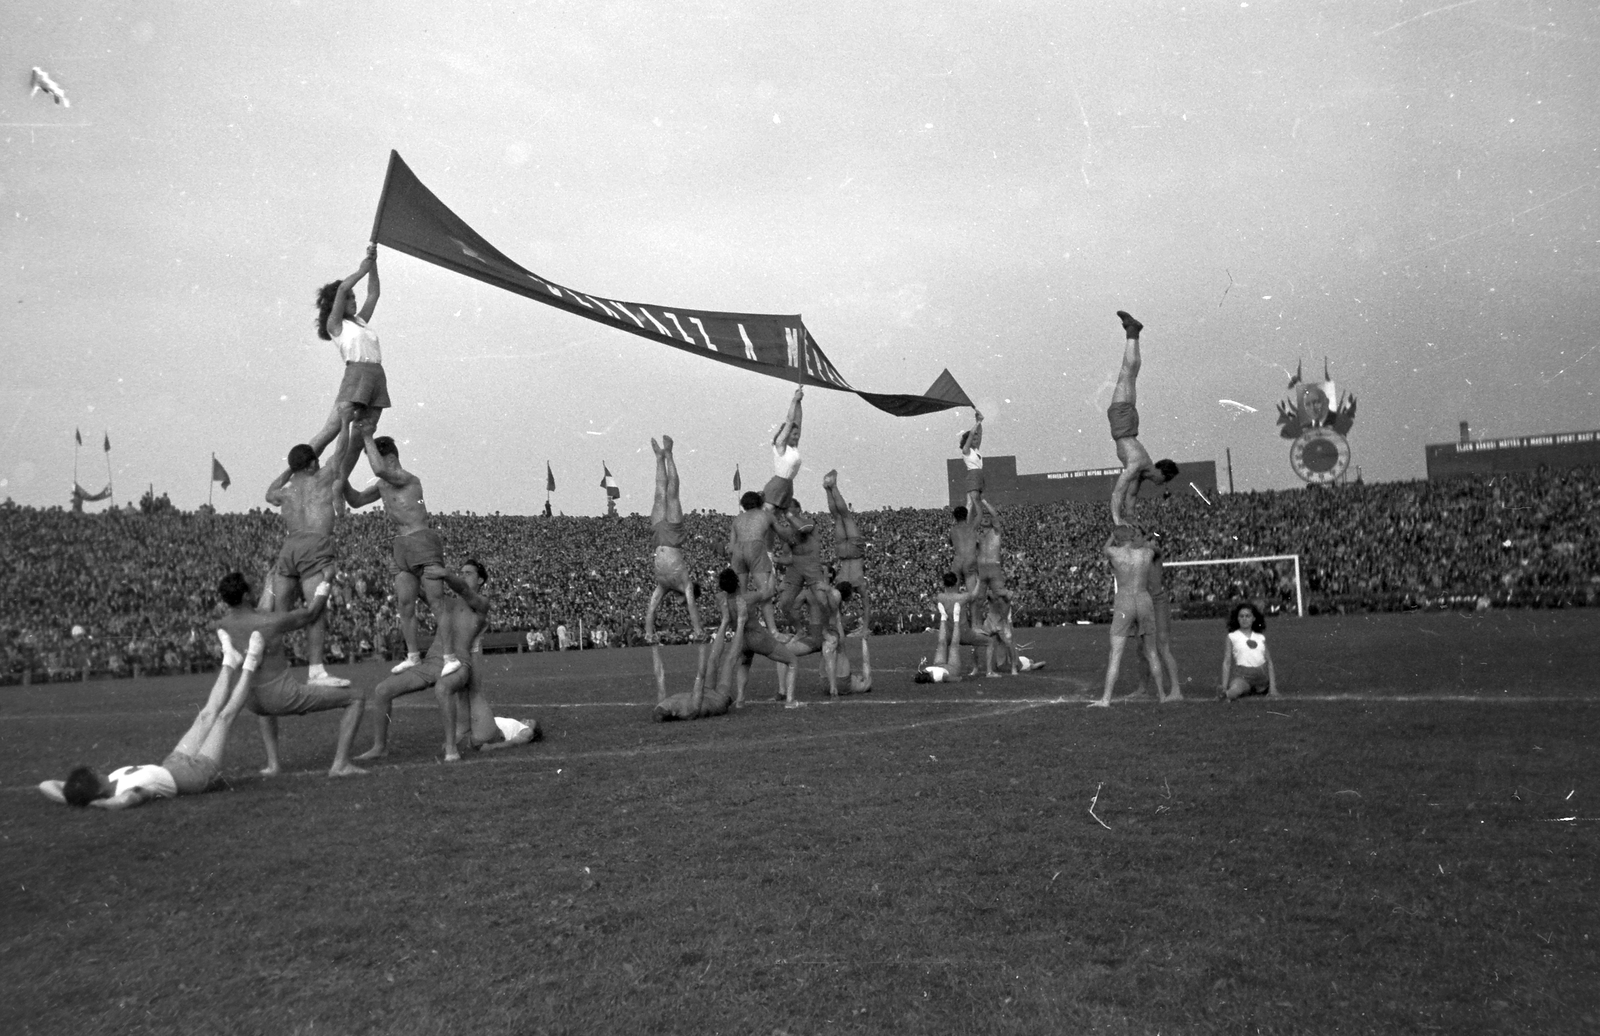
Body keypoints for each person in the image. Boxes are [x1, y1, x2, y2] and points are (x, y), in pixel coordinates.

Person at [38, 630, 266, 809]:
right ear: (97, 790)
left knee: (206, 714)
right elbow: (125, 802)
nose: (97, 770)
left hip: (173, 761)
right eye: (93, 774)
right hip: (195, 777)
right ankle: (252, 660)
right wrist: (98, 804)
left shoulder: (111, 780)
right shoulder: (128, 792)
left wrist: (75, 800)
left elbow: (46, 785)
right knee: (223, 718)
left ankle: (230, 660)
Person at [213, 570, 368, 776]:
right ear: (246, 596)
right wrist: (326, 582)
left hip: (251, 700)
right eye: (252, 586)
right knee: (356, 697)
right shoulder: (271, 622)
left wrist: (270, 581)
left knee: (265, 709)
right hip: (282, 697)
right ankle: (340, 764)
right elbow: (312, 612)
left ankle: (273, 764)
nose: (256, 587)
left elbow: (259, 612)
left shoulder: (222, 624)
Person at [344, 429, 459, 677]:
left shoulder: (407, 478)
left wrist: (365, 436)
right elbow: (355, 500)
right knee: (405, 604)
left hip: (422, 539)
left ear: (392, 459)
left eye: (376, 457)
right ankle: (413, 656)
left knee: (437, 602)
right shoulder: (383, 485)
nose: (373, 463)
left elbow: (379, 470)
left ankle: (450, 657)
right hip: (401, 544)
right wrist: (341, 480)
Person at [265, 416, 359, 688]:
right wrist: (344, 424)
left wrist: (289, 471)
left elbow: (269, 494)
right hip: (315, 546)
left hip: (290, 547)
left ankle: (273, 671)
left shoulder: (286, 490)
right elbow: (340, 452)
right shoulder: (323, 477)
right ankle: (315, 671)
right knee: (315, 612)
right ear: (312, 463)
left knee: (279, 616)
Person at [308, 244, 389, 456]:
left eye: (354, 297)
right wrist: (362, 269)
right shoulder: (335, 325)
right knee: (332, 428)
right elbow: (343, 288)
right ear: (338, 303)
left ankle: (340, 480)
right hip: (357, 373)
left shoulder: (360, 321)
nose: (353, 301)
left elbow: (374, 293)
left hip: (376, 374)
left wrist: (373, 265)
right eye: (349, 298)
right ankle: (300, 467)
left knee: (362, 435)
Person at [1107, 311, 1179, 526]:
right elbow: (1117, 492)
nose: (1159, 485)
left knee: (1130, 374)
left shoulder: (1141, 471)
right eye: (1163, 481)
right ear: (1161, 473)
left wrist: (1131, 518)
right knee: (1127, 373)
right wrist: (1117, 519)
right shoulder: (1138, 463)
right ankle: (1132, 332)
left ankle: (1133, 333)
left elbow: (1130, 497)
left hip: (1125, 423)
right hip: (1123, 421)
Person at [1090, 526, 1167, 707]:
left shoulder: (1114, 553)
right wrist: (1144, 540)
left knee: (1115, 653)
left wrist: (1112, 535)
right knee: (1152, 652)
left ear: (1117, 538)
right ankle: (1162, 695)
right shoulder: (1146, 554)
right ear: (1132, 537)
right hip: (1143, 599)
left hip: (1124, 601)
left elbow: (1104, 548)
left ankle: (1106, 699)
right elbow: (1156, 551)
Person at [653, 569, 741, 721]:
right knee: (729, 661)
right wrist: (701, 646)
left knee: (714, 661)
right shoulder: (690, 710)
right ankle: (741, 622)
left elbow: (659, 674)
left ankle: (725, 620)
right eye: (666, 707)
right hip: (718, 699)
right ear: (673, 713)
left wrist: (654, 649)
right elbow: (700, 674)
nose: (666, 703)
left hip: (706, 693)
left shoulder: (664, 704)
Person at [643, 436, 705, 643]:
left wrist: (649, 633)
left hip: (660, 538)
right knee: (671, 495)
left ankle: (659, 458)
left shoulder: (665, 586)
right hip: (672, 539)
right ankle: (667, 455)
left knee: (660, 495)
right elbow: (691, 606)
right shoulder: (685, 583)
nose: (680, 603)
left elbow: (652, 607)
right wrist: (698, 630)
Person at [727, 489, 794, 636]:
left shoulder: (737, 519)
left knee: (740, 592)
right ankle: (773, 631)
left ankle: (741, 630)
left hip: (738, 551)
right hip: (756, 547)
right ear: (760, 503)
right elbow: (783, 533)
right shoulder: (766, 515)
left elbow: (730, 548)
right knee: (766, 593)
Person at [1132, 531, 1183, 701]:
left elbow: (1157, 550)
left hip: (1157, 602)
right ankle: (1142, 689)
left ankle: (1176, 691)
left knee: (1162, 646)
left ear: (1144, 537)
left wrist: (1147, 544)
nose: (1133, 539)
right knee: (1141, 649)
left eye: (1136, 535)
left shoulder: (1152, 553)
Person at [822, 470, 870, 635]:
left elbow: (864, 605)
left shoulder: (855, 584)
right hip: (844, 552)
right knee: (840, 516)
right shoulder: (841, 582)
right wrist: (864, 628)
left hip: (854, 552)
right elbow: (866, 606)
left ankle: (831, 488)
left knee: (844, 516)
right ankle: (829, 489)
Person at [930, 571, 995, 679]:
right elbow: (974, 595)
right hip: (964, 634)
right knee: (989, 642)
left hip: (948, 633)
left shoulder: (940, 597)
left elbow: (935, 599)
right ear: (956, 584)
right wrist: (978, 581)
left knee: (943, 645)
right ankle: (989, 672)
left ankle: (944, 668)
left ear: (944, 584)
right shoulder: (962, 597)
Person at [1220, 602, 1280, 700]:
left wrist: (1273, 688)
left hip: (1261, 677)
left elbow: (1269, 663)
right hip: (1243, 676)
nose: (1244, 619)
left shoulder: (1260, 637)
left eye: (1248, 616)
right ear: (1237, 618)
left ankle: (1259, 688)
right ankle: (1225, 694)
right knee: (1235, 689)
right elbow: (1227, 662)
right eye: (1241, 616)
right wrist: (1223, 686)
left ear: (1254, 619)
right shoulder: (1232, 636)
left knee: (1260, 687)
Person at [762, 383, 804, 513]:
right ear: (786, 434)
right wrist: (794, 400)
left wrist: (799, 402)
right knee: (768, 516)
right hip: (777, 485)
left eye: (798, 435)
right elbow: (790, 420)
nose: (797, 437)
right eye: (794, 434)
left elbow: (799, 420)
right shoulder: (780, 445)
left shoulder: (793, 448)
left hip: (788, 485)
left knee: (778, 520)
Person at [973, 499, 1010, 607]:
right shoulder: (978, 536)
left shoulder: (996, 532)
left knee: (1000, 597)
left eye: (988, 517)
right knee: (979, 598)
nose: (986, 518)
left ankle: (1006, 620)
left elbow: (995, 515)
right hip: (981, 569)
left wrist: (984, 502)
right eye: (983, 517)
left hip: (994, 567)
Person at [949, 504, 980, 596]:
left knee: (953, 593)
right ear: (966, 515)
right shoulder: (972, 527)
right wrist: (976, 501)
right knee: (972, 593)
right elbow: (979, 515)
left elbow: (951, 543)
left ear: (955, 517)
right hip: (970, 561)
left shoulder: (953, 530)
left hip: (957, 561)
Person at [958, 408, 985, 514]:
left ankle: (966, 521)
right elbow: (971, 434)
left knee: (970, 503)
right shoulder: (966, 450)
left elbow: (979, 433)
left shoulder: (976, 449)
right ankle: (966, 523)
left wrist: (977, 421)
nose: (976, 440)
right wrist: (978, 422)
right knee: (974, 502)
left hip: (979, 475)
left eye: (976, 439)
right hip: (973, 475)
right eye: (974, 439)